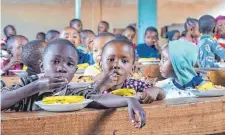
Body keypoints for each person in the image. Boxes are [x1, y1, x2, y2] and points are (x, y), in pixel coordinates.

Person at [1, 38, 146, 128]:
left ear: (75, 70)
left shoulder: (73, 93)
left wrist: (128, 100)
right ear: (42, 66)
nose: (61, 68)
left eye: (69, 64)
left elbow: (97, 98)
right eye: (55, 61)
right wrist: (35, 87)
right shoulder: (29, 84)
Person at [93, 39, 165, 102]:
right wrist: (101, 87)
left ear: (132, 69)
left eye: (124, 61)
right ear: (101, 65)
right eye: (111, 60)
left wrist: (155, 90)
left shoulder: (135, 85)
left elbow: (162, 94)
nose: (116, 65)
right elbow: (88, 97)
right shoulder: (94, 87)